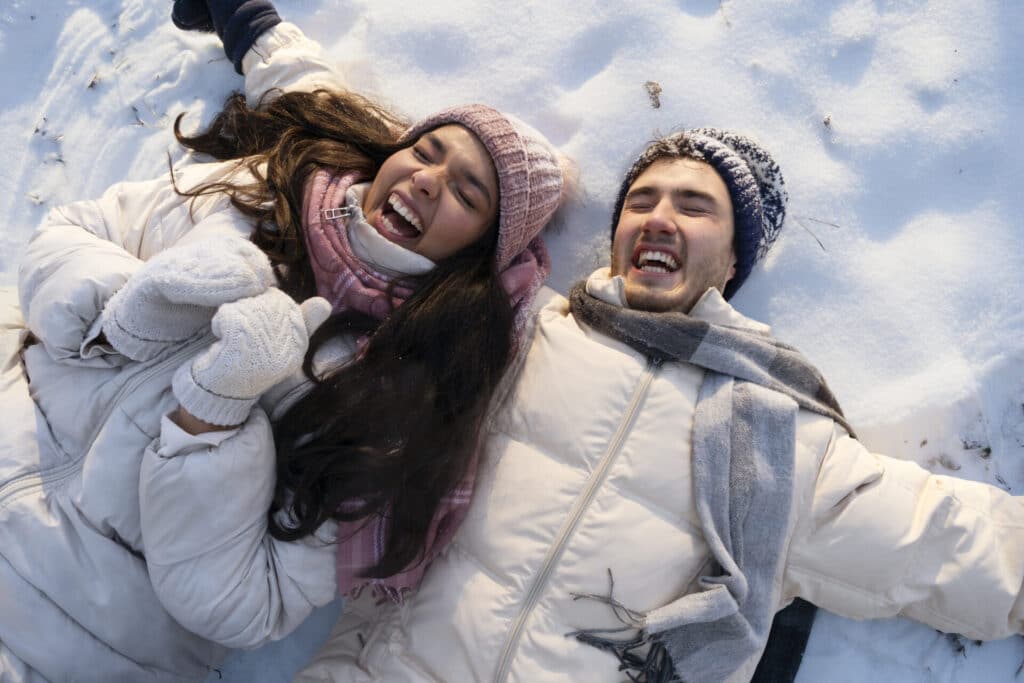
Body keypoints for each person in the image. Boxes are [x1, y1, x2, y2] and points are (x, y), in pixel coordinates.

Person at [295, 128, 1024, 683]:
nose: (659, 217)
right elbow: (372, 232)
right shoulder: (518, 327)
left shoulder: (771, 433)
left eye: (695, 205)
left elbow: (941, 541)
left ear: (734, 260)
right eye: (641, 200)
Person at [0, 0, 566, 680]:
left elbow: (244, 605)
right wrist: (131, 307)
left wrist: (214, 414)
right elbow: (67, 234)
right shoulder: (264, 193)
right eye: (425, 150)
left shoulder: (399, 399)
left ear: (478, 253)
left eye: (467, 194)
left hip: (70, 628)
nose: (425, 178)